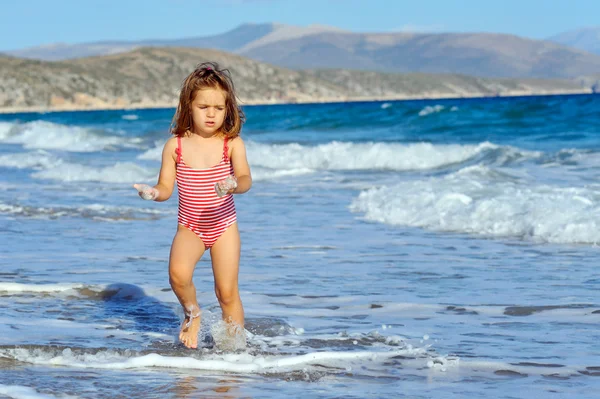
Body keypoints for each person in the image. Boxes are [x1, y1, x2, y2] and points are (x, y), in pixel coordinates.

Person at [133, 62, 252, 349]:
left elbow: (247, 179)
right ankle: (192, 312)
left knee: (226, 293)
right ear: (189, 106)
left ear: (228, 110)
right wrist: (152, 193)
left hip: (224, 227)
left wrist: (234, 184)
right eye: (203, 107)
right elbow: (165, 189)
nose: (211, 114)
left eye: (219, 108)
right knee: (178, 275)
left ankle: (235, 351)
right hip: (191, 226)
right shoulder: (175, 146)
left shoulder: (231, 143)